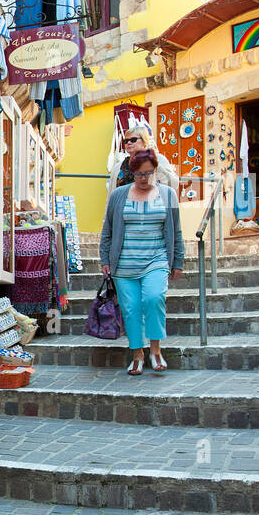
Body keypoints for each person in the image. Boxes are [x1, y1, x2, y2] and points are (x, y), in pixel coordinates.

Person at [99, 149, 184, 375]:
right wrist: (105, 258)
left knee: (154, 298)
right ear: (131, 173)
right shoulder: (119, 195)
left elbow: (176, 230)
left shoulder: (168, 195)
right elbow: (107, 229)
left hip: (156, 260)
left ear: (156, 170)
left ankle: (155, 350)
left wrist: (178, 261)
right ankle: (137, 354)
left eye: (148, 173)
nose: (144, 178)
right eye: (138, 174)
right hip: (124, 264)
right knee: (131, 308)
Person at [107, 123, 179, 194]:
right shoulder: (118, 167)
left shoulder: (158, 159)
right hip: (124, 205)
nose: (129, 142)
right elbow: (111, 195)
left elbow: (173, 184)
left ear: (144, 141)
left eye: (133, 140)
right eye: (126, 141)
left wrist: (155, 165)